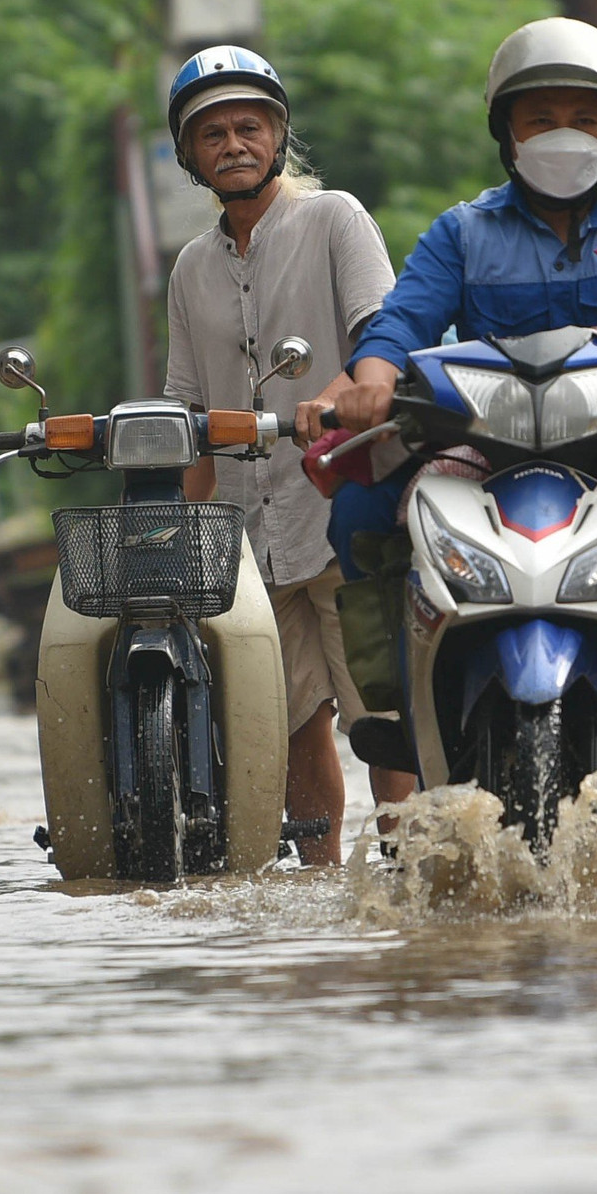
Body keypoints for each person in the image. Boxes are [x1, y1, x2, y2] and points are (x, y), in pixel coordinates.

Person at [314, 17, 597, 776]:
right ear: (508, 136)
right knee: (359, 506)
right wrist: (372, 378)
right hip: (487, 446)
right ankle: (400, 700)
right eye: (541, 119)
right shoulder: (462, 232)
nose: (564, 135)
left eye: (583, 120)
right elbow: (402, 321)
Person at [161, 44, 413, 865]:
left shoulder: (335, 217)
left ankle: (409, 873)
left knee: (382, 717)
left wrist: (332, 396)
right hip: (250, 535)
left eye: (248, 127)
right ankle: (320, 899)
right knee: (296, 723)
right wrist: (186, 533)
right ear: (190, 155)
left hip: (346, 510)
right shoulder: (191, 268)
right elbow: (189, 414)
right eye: (213, 134)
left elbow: (384, 333)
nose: (233, 144)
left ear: (277, 138)